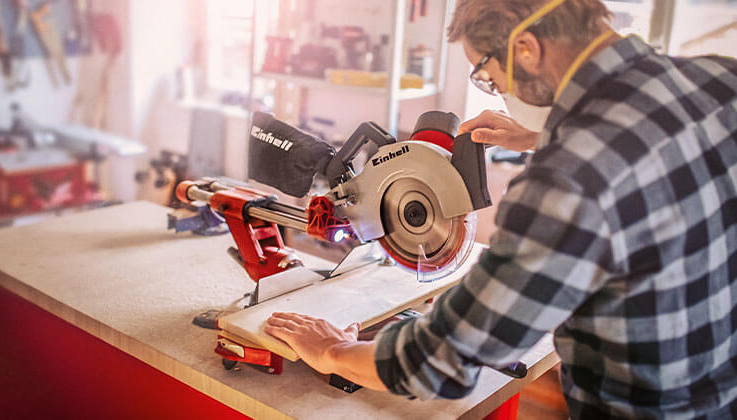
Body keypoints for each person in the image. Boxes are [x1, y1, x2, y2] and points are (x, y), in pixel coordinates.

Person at [265, 0, 737, 417]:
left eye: (487, 75)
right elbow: (655, 148)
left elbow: (442, 361)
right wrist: (546, 134)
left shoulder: (568, 178)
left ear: (527, 48)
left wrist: (333, 350)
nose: (493, 87)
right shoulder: (718, 79)